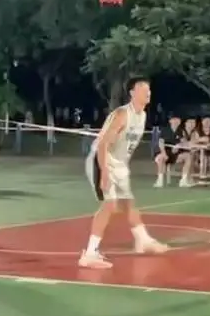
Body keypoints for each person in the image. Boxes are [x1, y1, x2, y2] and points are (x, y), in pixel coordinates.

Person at [80, 77, 168, 269]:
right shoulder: (122, 114)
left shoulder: (142, 116)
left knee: (128, 203)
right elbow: (103, 145)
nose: (148, 93)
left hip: (119, 164)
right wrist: (104, 172)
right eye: (143, 89)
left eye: (149, 89)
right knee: (110, 205)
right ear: (132, 93)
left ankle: (143, 240)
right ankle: (90, 253)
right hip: (102, 160)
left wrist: (122, 167)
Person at [153, 115, 193, 188]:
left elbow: (184, 142)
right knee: (161, 158)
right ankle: (160, 181)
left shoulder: (181, 131)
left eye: (178, 120)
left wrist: (178, 145)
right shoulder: (165, 130)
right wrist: (164, 153)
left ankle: (183, 181)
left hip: (176, 154)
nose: (176, 121)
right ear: (170, 121)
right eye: (174, 119)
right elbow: (161, 142)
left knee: (188, 156)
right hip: (165, 151)